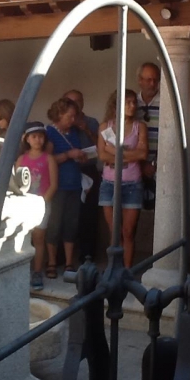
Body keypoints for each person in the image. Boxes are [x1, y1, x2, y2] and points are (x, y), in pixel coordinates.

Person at [98, 89, 148, 268]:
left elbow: (143, 154)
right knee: (114, 232)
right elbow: (102, 155)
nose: (132, 106)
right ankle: (114, 269)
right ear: (117, 104)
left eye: (134, 102)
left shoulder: (139, 127)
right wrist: (129, 154)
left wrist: (115, 151)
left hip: (132, 183)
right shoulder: (105, 127)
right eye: (127, 102)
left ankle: (126, 271)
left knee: (128, 232)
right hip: (109, 183)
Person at [45, 98, 85, 278]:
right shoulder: (50, 133)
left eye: (75, 116)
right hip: (57, 186)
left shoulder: (74, 132)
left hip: (74, 184)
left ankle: (69, 263)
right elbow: (47, 160)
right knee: (54, 225)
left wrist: (81, 157)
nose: (73, 120)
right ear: (59, 114)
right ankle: (52, 262)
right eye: (70, 116)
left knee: (72, 224)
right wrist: (68, 155)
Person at [16, 121, 58, 291]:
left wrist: (42, 202)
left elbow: (53, 185)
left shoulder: (49, 159)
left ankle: (37, 271)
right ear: (27, 139)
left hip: (42, 204)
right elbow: (16, 184)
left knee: (39, 238)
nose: (38, 140)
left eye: (41, 137)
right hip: (24, 205)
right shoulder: (21, 159)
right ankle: (22, 270)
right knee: (23, 237)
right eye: (34, 136)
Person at [63, 89, 100, 262]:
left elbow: (101, 145)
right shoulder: (61, 123)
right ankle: (63, 255)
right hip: (67, 170)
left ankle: (87, 253)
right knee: (66, 213)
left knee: (89, 214)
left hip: (89, 170)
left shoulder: (92, 122)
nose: (75, 105)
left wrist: (86, 129)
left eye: (78, 101)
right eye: (70, 101)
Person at [135, 62, 161, 211]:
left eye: (155, 80)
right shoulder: (131, 103)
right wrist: (140, 163)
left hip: (160, 166)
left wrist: (153, 164)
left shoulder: (166, 102)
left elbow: (171, 138)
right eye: (148, 79)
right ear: (140, 80)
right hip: (134, 165)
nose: (152, 84)